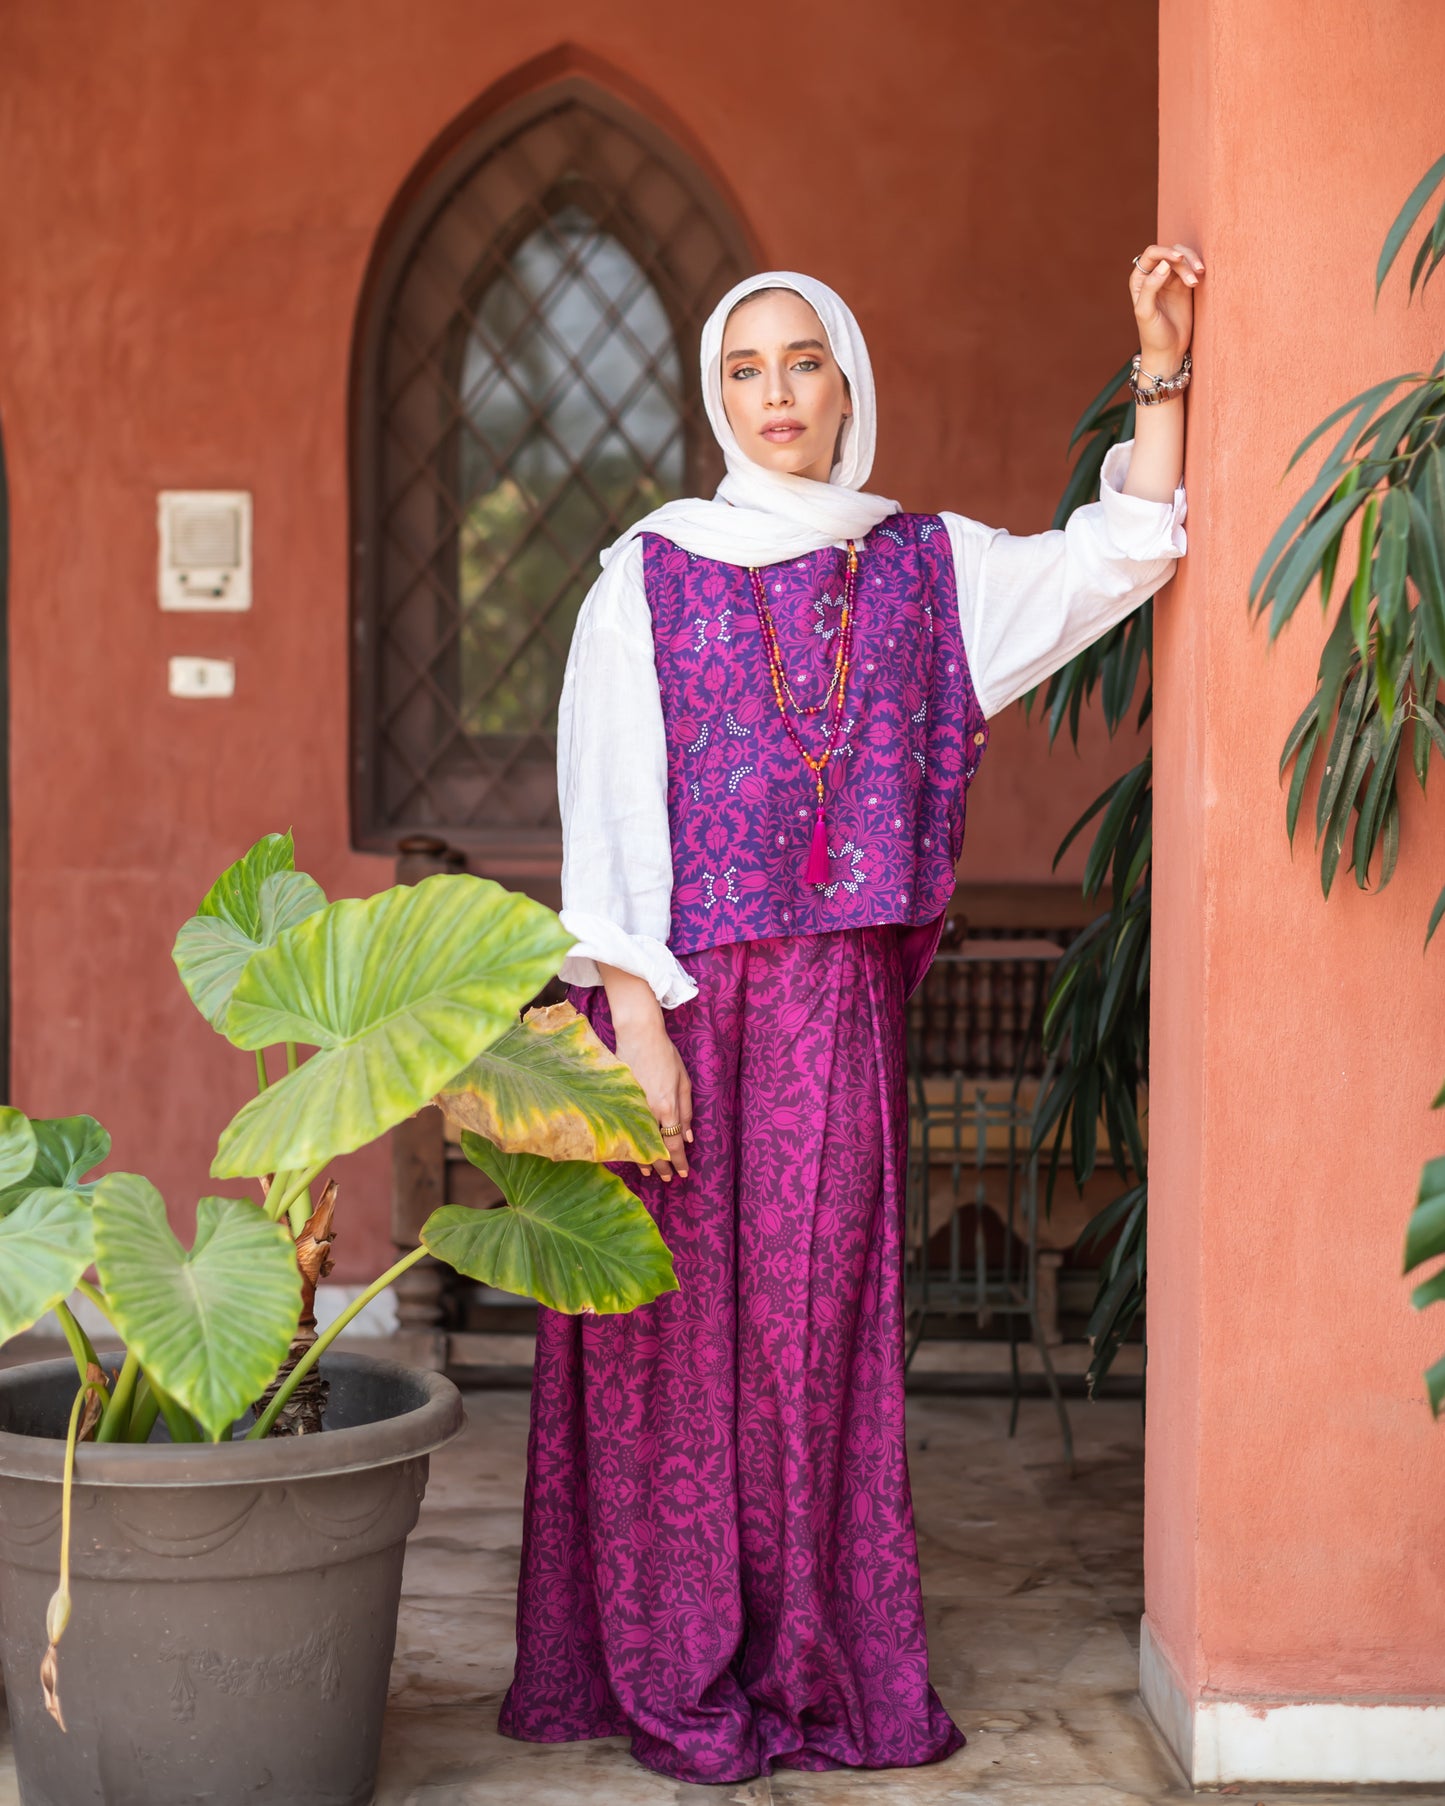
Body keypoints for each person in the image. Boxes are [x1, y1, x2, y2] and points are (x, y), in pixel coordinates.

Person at [498, 247, 1202, 1784]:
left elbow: (1119, 556)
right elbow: (606, 806)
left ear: (846, 381)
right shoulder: (649, 567)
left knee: (810, 1345)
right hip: (671, 996)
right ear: (714, 394)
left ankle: (806, 1663)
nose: (775, 398)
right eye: (745, 370)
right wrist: (639, 1021)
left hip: (828, 1010)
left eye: (801, 363)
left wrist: (1157, 365)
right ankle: (672, 1662)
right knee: (669, 1346)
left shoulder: (917, 568)